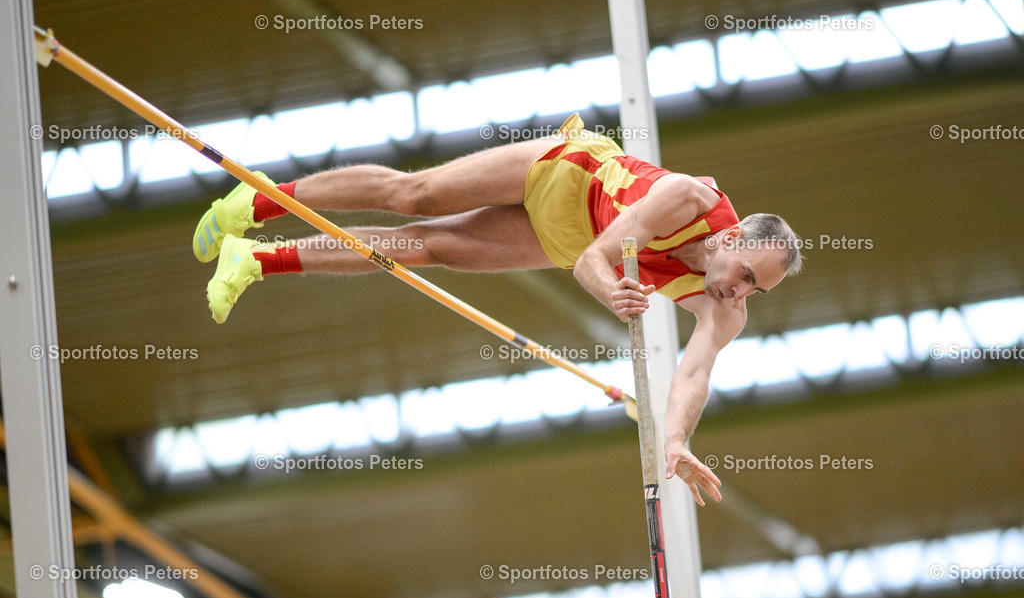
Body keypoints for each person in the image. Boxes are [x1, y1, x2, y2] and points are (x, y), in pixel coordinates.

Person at [192, 113, 803, 506]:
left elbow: (694, 372)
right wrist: (612, 289)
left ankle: (256, 259)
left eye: (757, 291)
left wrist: (674, 440)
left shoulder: (726, 311)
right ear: (729, 240)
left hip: (560, 242)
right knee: (416, 194)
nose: (739, 293)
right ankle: (259, 200)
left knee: (433, 248)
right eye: (745, 276)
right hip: (566, 177)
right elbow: (598, 257)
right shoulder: (686, 198)